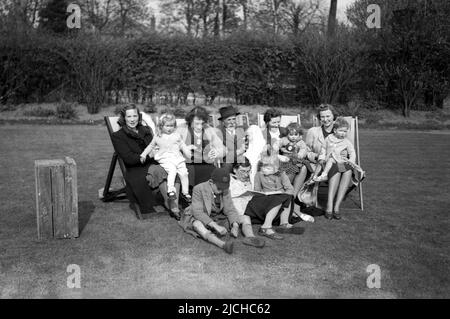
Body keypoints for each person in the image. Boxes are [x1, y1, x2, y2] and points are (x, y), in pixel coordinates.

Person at [111, 104, 181, 219]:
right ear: (124, 118)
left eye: (135, 116)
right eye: (129, 116)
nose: (132, 119)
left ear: (139, 117)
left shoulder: (146, 130)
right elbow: (129, 159)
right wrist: (151, 155)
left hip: (153, 164)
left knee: (173, 169)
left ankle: (174, 205)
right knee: (161, 171)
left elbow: (156, 146)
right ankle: (172, 206)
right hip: (137, 169)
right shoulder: (118, 136)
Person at [302, 104, 358, 220]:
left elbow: (349, 150)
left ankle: (336, 207)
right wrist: (317, 157)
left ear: (334, 116)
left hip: (341, 163)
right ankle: (329, 206)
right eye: (322, 117)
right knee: (336, 169)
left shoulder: (342, 129)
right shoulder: (313, 131)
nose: (325, 119)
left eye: (328, 116)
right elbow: (306, 151)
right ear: (319, 118)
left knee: (346, 171)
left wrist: (346, 158)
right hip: (321, 164)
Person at [178, 167, 241, 254]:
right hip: (198, 216)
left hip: (216, 216)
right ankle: (223, 245)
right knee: (197, 225)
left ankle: (214, 231)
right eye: (219, 188)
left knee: (229, 224)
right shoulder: (198, 189)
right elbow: (198, 212)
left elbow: (230, 209)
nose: (222, 190)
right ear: (211, 182)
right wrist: (215, 226)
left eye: (224, 187)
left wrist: (235, 226)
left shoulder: (225, 190)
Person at [140, 112, 195, 203]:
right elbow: (151, 146)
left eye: (172, 126)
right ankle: (170, 190)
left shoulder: (176, 135)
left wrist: (187, 152)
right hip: (165, 158)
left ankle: (185, 192)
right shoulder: (158, 136)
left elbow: (182, 145)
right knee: (172, 171)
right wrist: (143, 154)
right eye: (167, 126)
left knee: (184, 172)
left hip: (177, 157)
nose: (170, 128)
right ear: (161, 126)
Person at [245, 147, 295, 240]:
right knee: (278, 199)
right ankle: (265, 226)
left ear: (276, 168)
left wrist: (282, 193)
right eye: (262, 166)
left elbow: (290, 189)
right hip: (265, 200)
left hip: (279, 200)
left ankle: (284, 222)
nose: (263, 169)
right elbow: (257, 190)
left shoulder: (281, 174)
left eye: (267, 167)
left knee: (287, 196)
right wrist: (263, 193)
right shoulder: (259, 175)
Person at [177, 106, 225, 186]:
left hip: (206, 163)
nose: (199, 127)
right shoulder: (181, 129)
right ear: (190, 120)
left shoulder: (208, 129)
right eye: (197, 123)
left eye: (202, 123)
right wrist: (184, 148)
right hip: (187, 163)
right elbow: (171, 147)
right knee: (190, 172)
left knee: (214, 173)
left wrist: (216, 152)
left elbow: (223, 149)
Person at [228, 159, 266, 248]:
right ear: (234, 170)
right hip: (236, 205)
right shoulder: (228, 179)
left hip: (249, 205)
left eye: (248, 171)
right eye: (242, 171)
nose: (246, 174)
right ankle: (250, 236)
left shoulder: (249, 179)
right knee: (244, 214)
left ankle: (239, 227)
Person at [216, 105, 247, 172]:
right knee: (226, 166)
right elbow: (223, 154)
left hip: (242, 159)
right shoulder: (219, 133)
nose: (232, 122)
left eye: (234, 119)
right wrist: (238, 152)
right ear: (223, 121)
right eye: (229, 120)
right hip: (227, 161)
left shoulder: (241, 129)